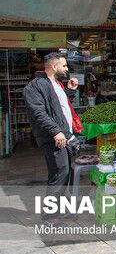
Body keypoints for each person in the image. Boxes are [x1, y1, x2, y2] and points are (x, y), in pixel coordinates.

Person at [24, 52, 82, 226]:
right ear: (54, 66)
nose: (67, 69)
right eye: (64, 65)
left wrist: (70, 91)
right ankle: (50, 217)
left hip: (64, 136)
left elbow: (61, 108)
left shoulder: (56, 84)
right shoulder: (35, 87)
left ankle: (58, 208)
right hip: (54, 138)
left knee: (65, 173)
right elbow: (39, 114)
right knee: (59, 174)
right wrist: (56, 131)